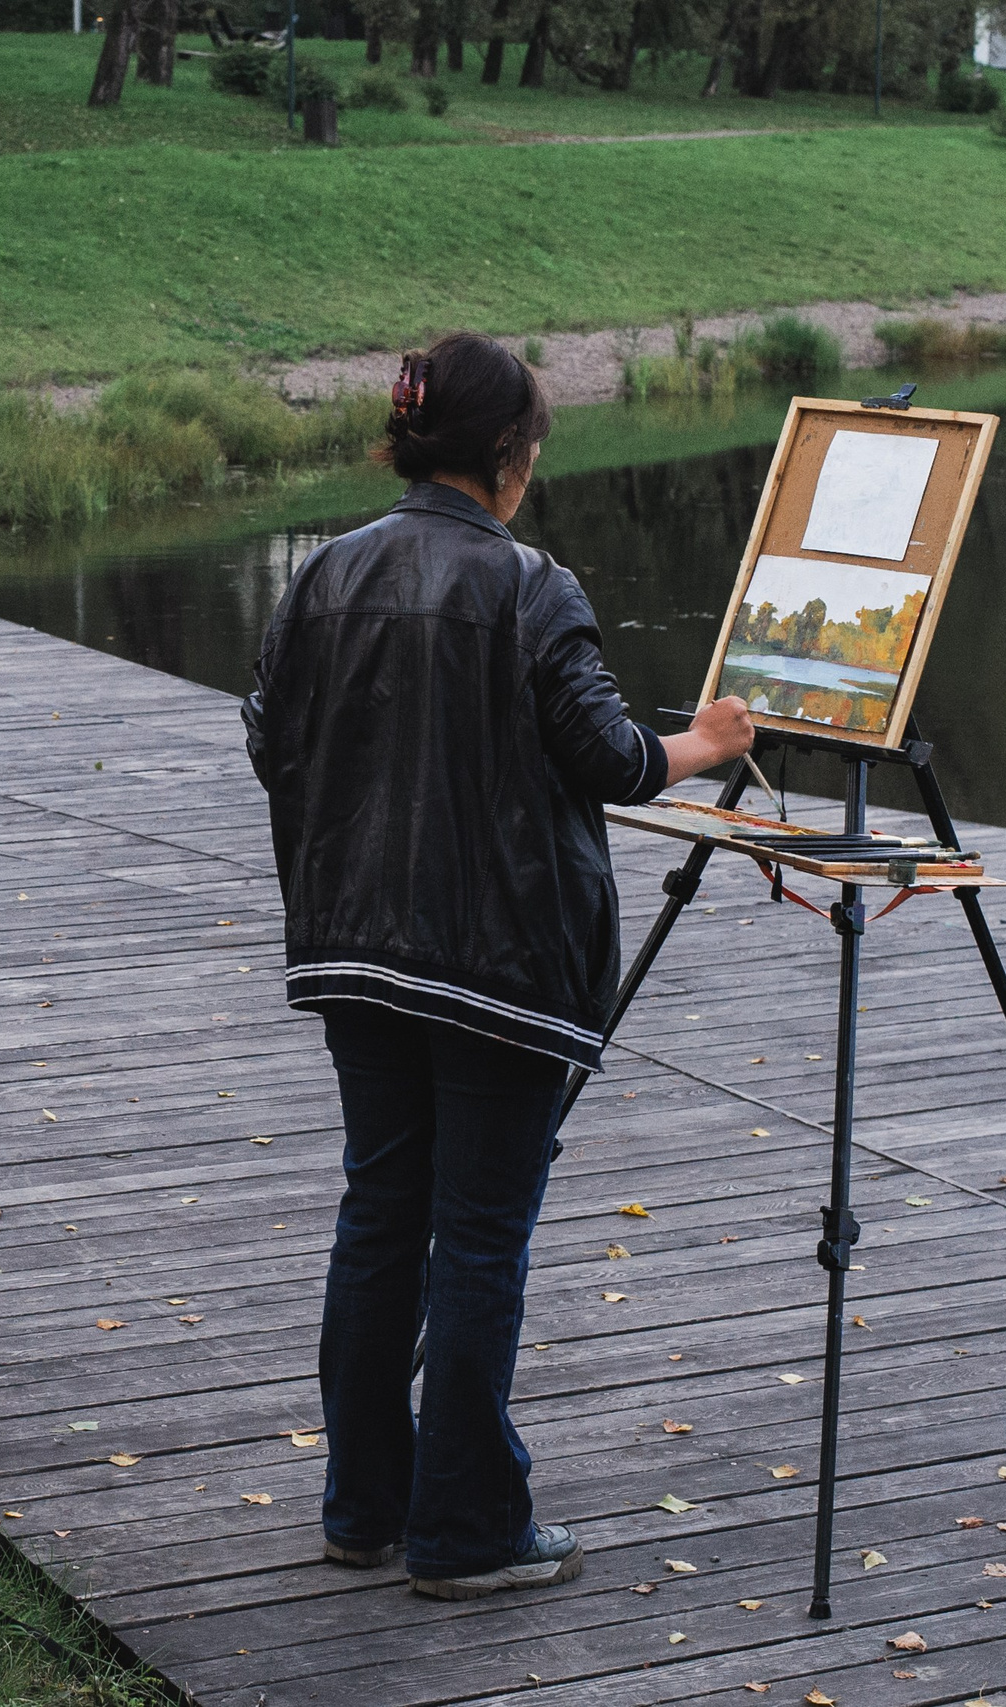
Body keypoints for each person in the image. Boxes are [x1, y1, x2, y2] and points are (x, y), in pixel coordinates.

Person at [243, 331, 755, 1603]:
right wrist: (707, 741)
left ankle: (362, 1508)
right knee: (476, 1241)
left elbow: (271, 736)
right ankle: (466, 1530)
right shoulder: (531, 585)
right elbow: (609, 761)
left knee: (379, 1219)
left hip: (355, 954)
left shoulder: (326, 572)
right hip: (500, 973)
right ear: (509, 457)